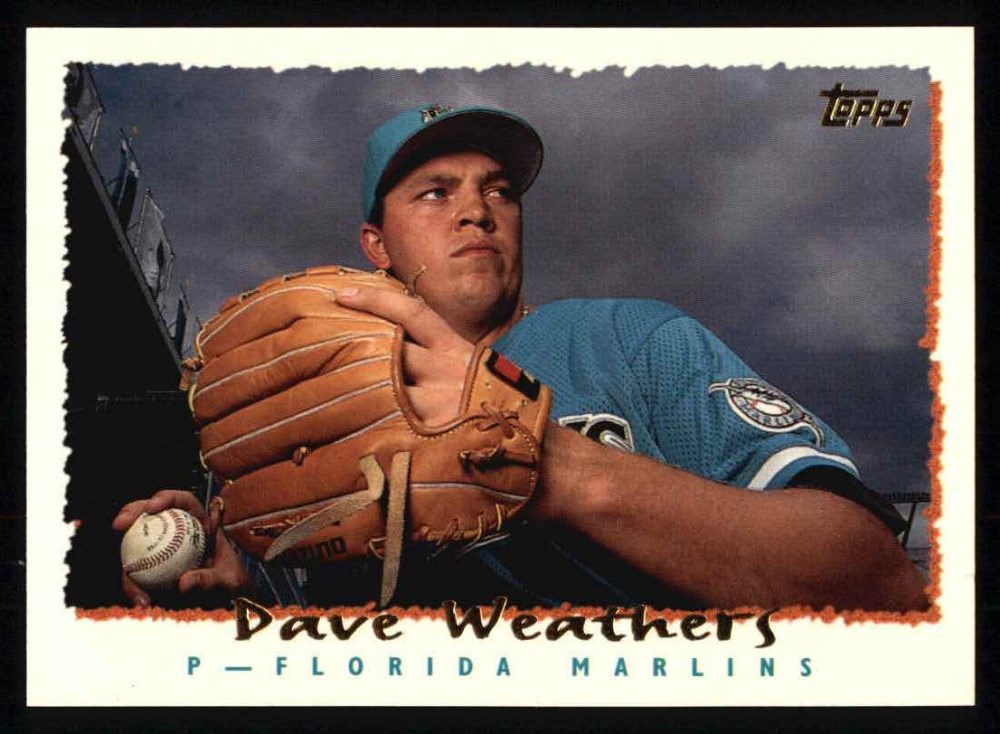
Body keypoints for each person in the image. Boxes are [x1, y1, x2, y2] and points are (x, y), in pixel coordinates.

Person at [114, 103, 928, 612]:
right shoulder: (318, 413)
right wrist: (246, 590)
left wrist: (555, 465)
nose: (478, 209)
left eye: (499, 189)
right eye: (435, 192)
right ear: (377, 245)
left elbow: (879, 581)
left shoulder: (630, 339)